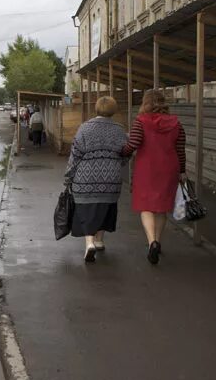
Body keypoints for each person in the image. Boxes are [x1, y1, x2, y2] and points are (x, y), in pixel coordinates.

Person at [122, 89, 187, 265]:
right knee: (161, 208)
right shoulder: (176, 124)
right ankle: (157, 241)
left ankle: (152, 242)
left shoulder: (140, 121)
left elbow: (133, 143)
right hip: (169, 168)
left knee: (146, 206)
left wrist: (122, 151)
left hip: (147, 168)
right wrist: (182, 171)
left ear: (145, 102)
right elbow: (180, 149)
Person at [64, 96, 128, 263]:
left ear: (96, 108)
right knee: (105, 207)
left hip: (85, 177)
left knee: (86, 209)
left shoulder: (85, 128)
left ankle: (89, 243)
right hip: (111, 178)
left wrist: (68, 177)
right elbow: (126, 154)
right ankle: (99, 240)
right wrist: (116, 164)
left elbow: (75, 155)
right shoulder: (120, 129)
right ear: (113, 110)